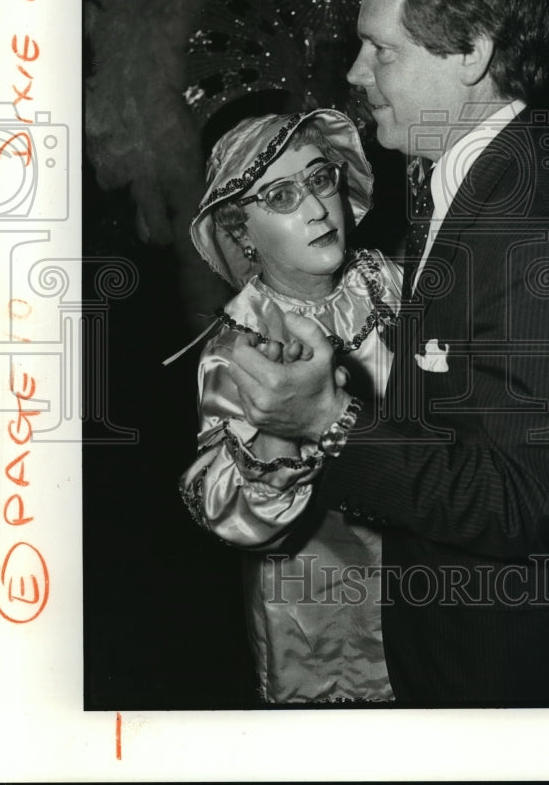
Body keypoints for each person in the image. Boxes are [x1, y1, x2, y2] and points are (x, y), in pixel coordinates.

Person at [225, 0, 549, 706]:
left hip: (502, 664)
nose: (354, 72)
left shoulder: (546, 242)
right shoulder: (457, 173)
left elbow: (522, 501)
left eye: (380, 48)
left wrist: (326, 421)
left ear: (472, 52)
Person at [179, 108, 403, 704]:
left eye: (320, 179)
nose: (315, 208)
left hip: (425, 564)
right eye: (280, 194)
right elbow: (234, 516)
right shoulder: (238, 350)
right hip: (319, 608)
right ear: (242, 232)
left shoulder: (384, 280)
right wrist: (280, 429)